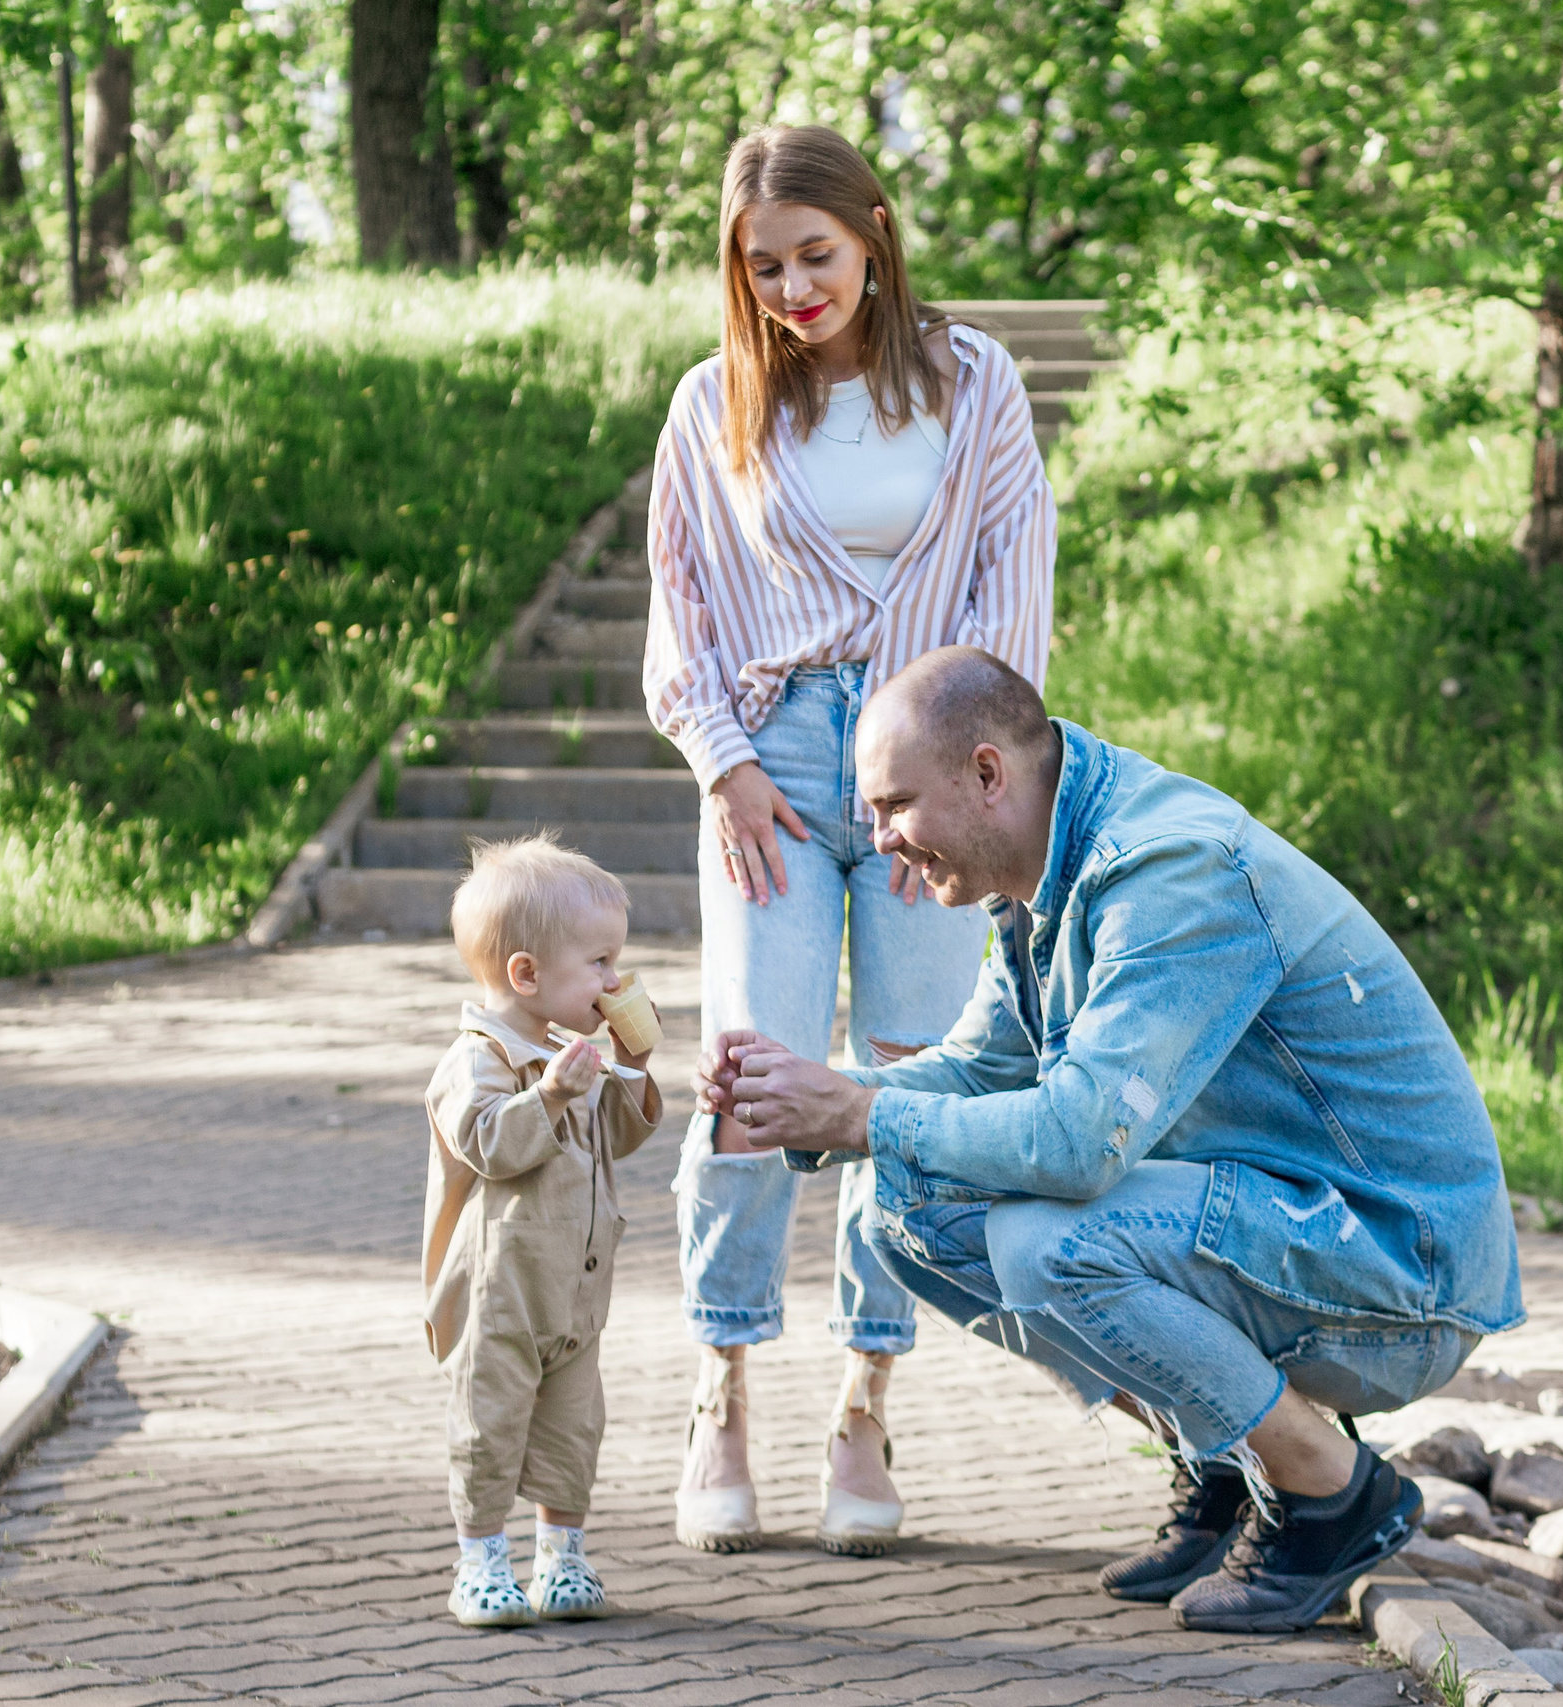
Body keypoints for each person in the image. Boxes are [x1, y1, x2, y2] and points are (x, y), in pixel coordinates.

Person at [697, 648, 1525, 1634]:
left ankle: (1331, 1492)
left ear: (988, 773)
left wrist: (861, 1116)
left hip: (1402, 1268)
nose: (880, 844)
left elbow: (1079, 1143)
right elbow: (982, 1072)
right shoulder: (1044, 875)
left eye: (893, 806)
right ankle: (1223, 1462)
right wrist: (821, 1096)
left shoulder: (1167, 869)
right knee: (904, 1208)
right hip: (1290, 1226)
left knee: (1048, 1244)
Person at [642, 125, 1054, 1557]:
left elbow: (1014, 585)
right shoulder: (714, 405)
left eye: (816, 254)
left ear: (874, 232)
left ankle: (867, 1400)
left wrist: (945, 785)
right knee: (754, 1067)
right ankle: (720, 1384)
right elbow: (681, 611)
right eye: (764, 266)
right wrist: (726, 765)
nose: (793, 286)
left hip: (930, 762)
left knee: (903, 1073)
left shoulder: (975, 380)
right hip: (770, 765)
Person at [421, 835, 663, 1626]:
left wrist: (632, 1063)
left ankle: (561, 1556)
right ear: (526, 975)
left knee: (572, 1428)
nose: (612, 979)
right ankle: (480, 1560)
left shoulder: (569, 1052)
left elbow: (617, 1138)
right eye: (597, 962)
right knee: (490, 1422)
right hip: (503, 1293)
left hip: (578, 1288)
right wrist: (552, 1096)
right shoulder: (480, 1058)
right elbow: (488, 1142)